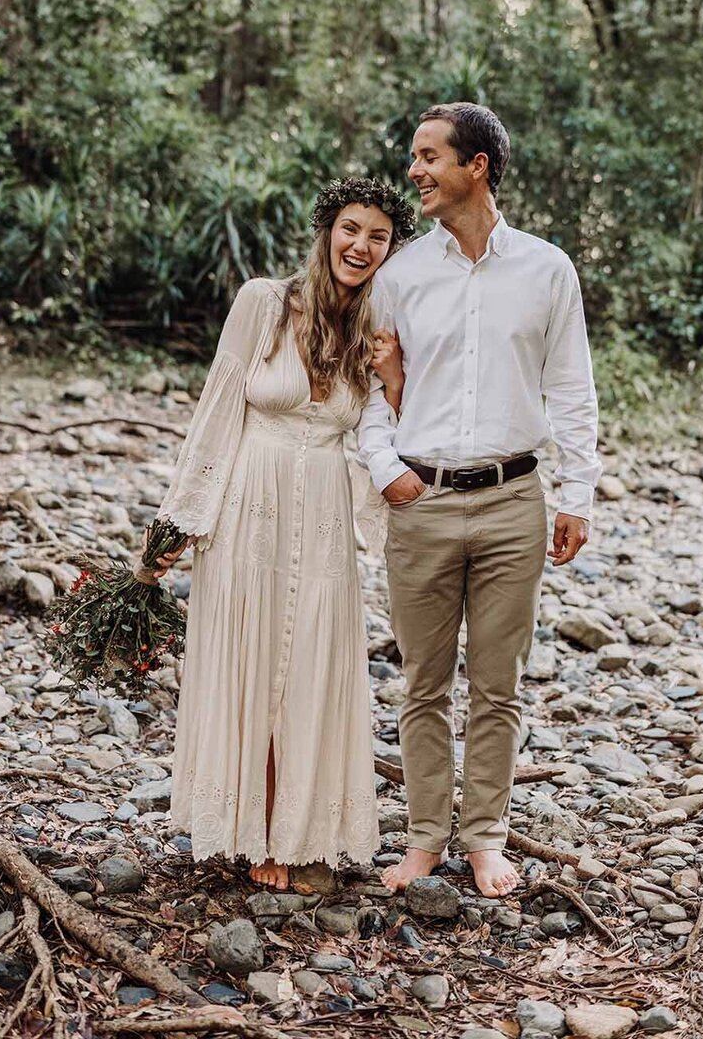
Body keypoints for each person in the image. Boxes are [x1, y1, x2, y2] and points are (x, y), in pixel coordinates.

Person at [358, 103, 602, 898]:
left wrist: (577, 495)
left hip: (513, 503)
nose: (414, 171)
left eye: (429, 157)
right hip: (420, 500)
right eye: (414, 156)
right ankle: (426, 840)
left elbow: (571, 390)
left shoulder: (546, 269)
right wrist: (386, 468)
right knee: (422, 683)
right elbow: (368, 392)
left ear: (478, 166)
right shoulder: (397, 276)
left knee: (500, 684)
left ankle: (487, 838)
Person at [150, 177, 414, 890]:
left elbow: (384, 434)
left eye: (378, 236)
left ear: (391, 249)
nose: (361, 246)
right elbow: (219, 405)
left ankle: (303, 832)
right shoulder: (264, 302)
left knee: (312, 662)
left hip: (325, 506)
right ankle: (253, 830)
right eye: (351, 229)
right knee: (257, 656)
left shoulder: (379, 326)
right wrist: (182, 519)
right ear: (328, 229)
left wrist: (392, 383)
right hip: (251, 503)